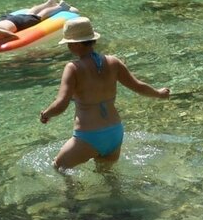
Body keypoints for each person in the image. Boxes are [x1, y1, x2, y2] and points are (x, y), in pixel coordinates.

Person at [39, 16, 170, 170]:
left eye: (68, 43)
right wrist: (159, 93)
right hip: (115, 132)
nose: (68, 47)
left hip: (89, 136)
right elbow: (138, 86)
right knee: (106, 174)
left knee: (58, 167)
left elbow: (61, 104)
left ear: (76, 44)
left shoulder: (73, 68)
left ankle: (74, 188)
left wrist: (46, 114)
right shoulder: (113, 61)